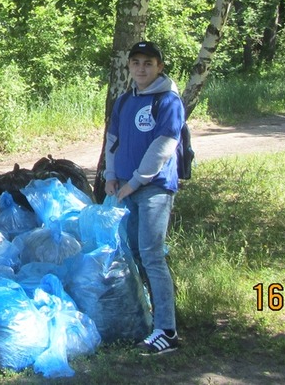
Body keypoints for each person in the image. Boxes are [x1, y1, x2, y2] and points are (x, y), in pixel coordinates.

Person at [102, 41, 185, 355]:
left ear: (159, 67)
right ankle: (149, 316)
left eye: (148, 63)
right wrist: (111, 175)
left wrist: (135, 182)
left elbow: (162, 148)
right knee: (134, 253)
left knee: (151, 255)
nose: (141, 68)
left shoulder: (168, 101)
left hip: (153, 190)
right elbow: (113, 140)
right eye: (135, 62)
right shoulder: (124, 101)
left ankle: (167, 331)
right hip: (124, 186)